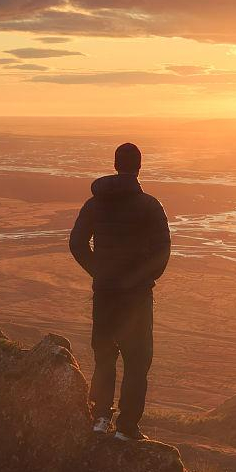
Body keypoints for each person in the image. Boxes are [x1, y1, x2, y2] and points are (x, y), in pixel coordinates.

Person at [69, 142, 171, 441]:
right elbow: (163, 250)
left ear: (115, 165)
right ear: (139, 167)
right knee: (137, 361)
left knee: (104, 355)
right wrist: (144, 279)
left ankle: (100, 418)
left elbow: (76, 243)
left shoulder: (95, 203)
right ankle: (126, 428)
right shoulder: (150, 205)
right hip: (137, 297)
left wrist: (99, 272)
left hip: (105, 294)